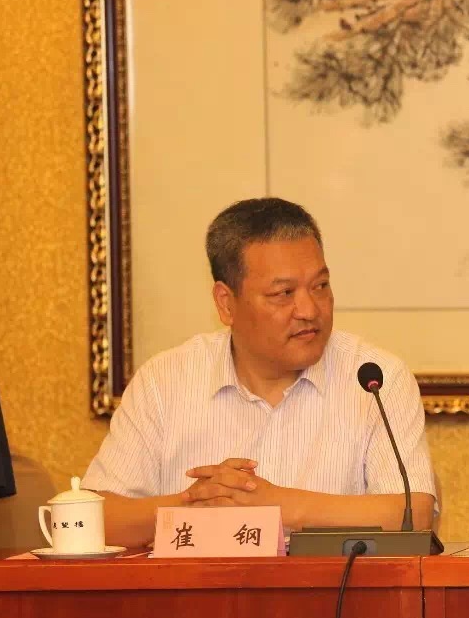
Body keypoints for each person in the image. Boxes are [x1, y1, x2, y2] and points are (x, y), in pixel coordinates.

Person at [84, 198, 436, 548]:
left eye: (320, 286)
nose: (309, 310)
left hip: (333, 587)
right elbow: (93, 521)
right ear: (226, 303)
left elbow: (414, 515)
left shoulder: (375, 378)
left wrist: (278, 507)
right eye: (283, 293)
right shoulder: (164, 381)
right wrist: (196, 505)